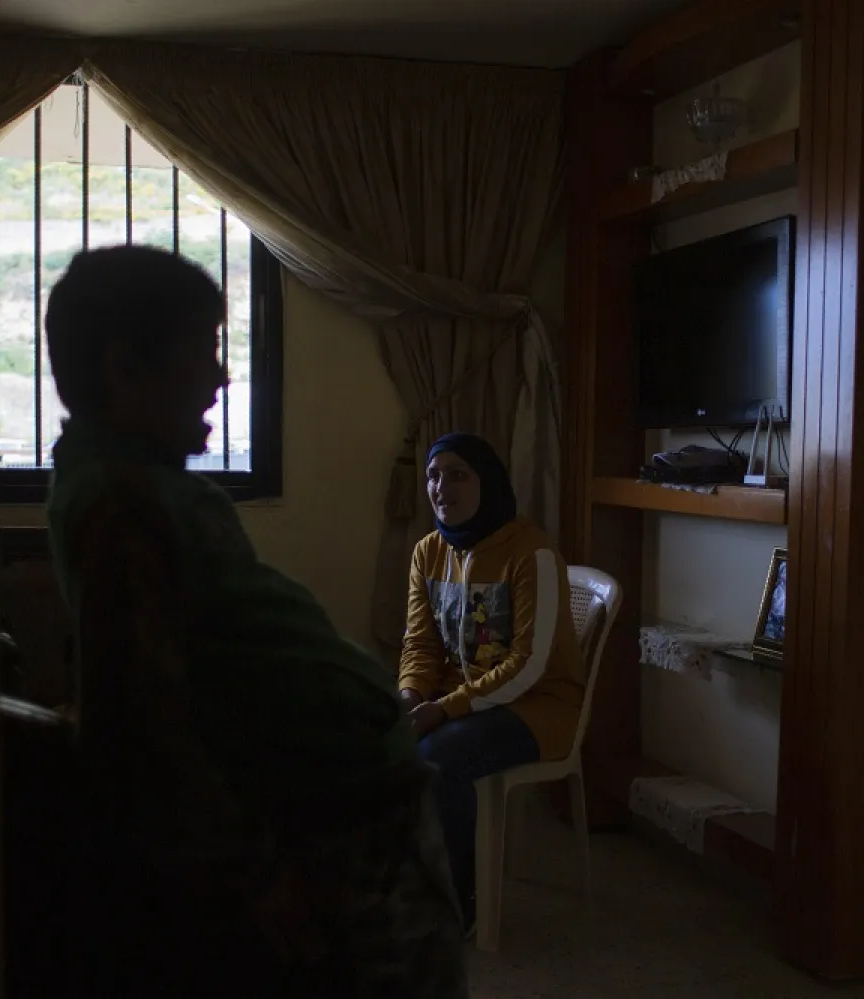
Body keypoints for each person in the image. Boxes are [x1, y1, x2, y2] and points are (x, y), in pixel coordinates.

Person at [41, 246, 467, 997]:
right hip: (336, 828)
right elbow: (139, 724)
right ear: (123, 369)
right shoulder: (120, 503)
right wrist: (253, 873)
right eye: (203, 353)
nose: (221, 376)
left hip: (357, 809)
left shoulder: (141, 487)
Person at [398, 433, 586, 932]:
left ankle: (456, 903)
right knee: (373, 734)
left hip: (537, 707)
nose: (442, 487)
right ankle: (402, 885)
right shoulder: (428, 552)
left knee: (437, 757)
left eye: (458, 474)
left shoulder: (532, 553)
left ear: (489, 482)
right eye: (434, 476)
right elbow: (420, 645)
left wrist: (443, 709)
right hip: (461, 700)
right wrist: (410, 698)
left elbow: (530, 664)